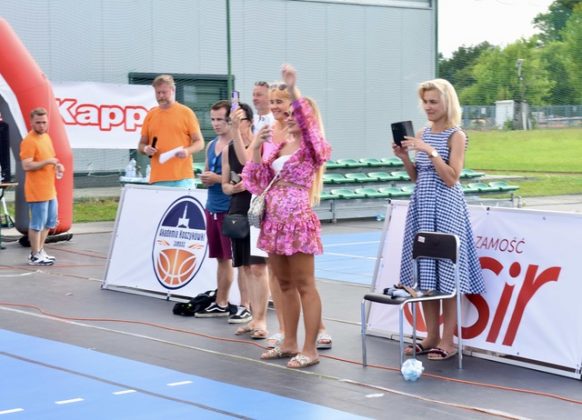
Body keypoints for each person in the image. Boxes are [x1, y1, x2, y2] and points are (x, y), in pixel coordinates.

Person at [243, 64, 331, 368]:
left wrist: (294, 90)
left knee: (305, 284)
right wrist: (255, 147)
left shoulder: (313, 147)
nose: (291, 118)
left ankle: (310, 348)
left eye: (297, 114)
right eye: (288, 113)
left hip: (297, 222)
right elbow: (255, 181)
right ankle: (290, 341)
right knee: (282, 283)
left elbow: (309, 128)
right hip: (274, 222)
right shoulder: (279, 146)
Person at [393, 78, 485, 361]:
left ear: (447, 103)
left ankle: (448, 339)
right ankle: (430, 335)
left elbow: (451, 177)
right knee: (425, 273)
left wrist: (429, 151)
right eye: (426, 102)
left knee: (448, 272)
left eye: (434, 101)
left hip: (446, 207)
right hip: (422, 205)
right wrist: (405, 158)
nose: (429, 107)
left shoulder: (456, 135)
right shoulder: (422, 132)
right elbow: (417, 177)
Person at [195, 100, 250, 323]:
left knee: (239, 261)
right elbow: (209, 173)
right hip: (213, 207)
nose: (216, 124)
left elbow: (237, 178)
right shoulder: (211, 145)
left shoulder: (237, 147)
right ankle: (221, 302)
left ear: (231, 121)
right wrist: (208, 178)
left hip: (231, 210)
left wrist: (217, 179)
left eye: (221, 119)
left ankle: (246, 305)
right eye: (213, 119)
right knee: (220, 259)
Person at [221, 102, 269, 338]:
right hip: (238, 209)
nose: (233, 126)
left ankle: (261, 319)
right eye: (231, 121)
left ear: (248, 122)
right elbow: (225, 182)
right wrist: (230, 188)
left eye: (237, 121)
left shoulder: (260, 144)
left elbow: (249, 161)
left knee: (259, 267)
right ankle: (252, 313)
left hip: (258, 209)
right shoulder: (229, 148)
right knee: (247, 268)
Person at [138, 74, 204, 187]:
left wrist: (187, 151)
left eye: (164, 92)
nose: (161, 96)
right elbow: (141, 144)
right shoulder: (150, 115)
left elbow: (199, 142)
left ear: (173, 90)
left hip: (183, 178)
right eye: (158, 93)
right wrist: (146, 148)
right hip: (157, 178)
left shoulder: (186, 113)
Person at [19, 107, 65, 266]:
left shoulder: (46, 137)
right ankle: (34, 254)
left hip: (49, 188)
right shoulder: (29, 141)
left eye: (44, 122)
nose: (41, 126)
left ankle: (40, 250)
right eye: (38, 122)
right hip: (37, 190)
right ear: (31, 122)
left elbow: (51, 158)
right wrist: (47, 162)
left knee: (50, 222)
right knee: (37, 224)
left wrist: (57, 166)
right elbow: (26, 165)